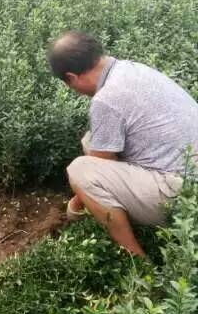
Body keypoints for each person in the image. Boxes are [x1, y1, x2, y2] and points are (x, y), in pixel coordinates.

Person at [47, 31, 198, 257]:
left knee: (80, 170)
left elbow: (97, 167)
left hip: (185, 196)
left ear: (72, 78)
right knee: (92, 140)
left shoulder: (106, 100)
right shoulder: (130, 68)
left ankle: (136, 260)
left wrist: (74, 208)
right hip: (187, 167)